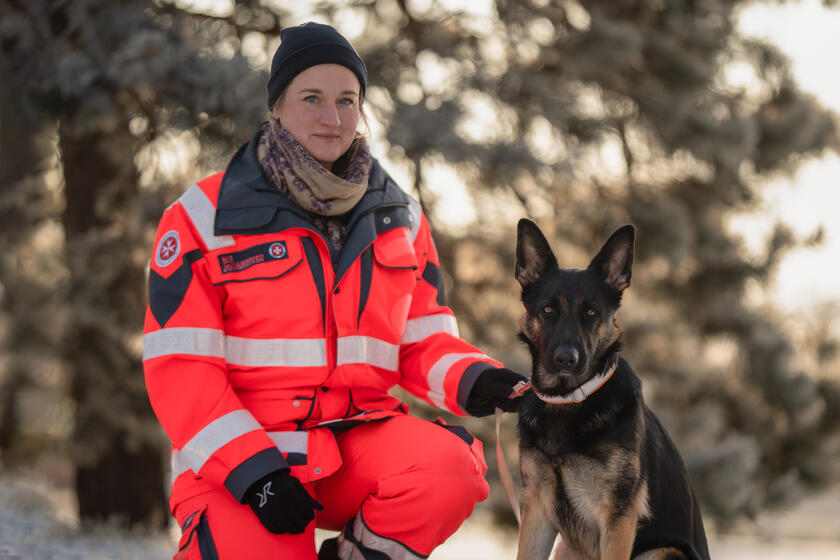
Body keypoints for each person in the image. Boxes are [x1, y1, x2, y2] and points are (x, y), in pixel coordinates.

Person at [142, 21, 526, 560]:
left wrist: (476, 378)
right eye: (313, 98)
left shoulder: (400, 217)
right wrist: (256, 474)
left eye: (348, 100)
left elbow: (421, 340)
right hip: (241, 463)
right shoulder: (203, 218)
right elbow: (182, 372)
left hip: (355, 448)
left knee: (448, 469)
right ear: (276, 106)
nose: (333, 117)